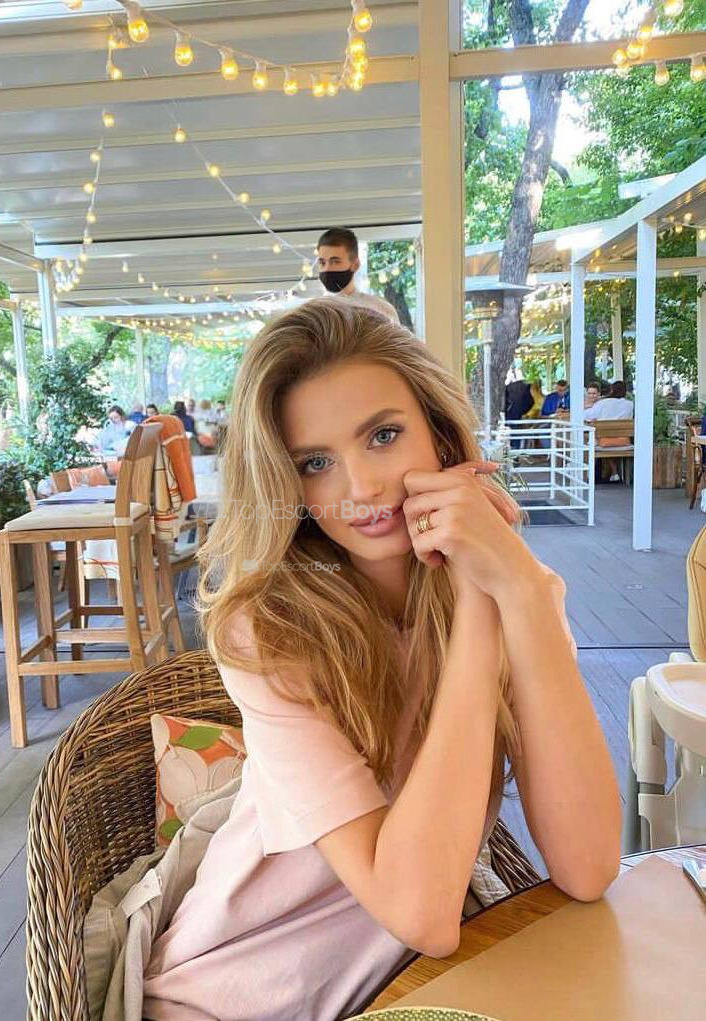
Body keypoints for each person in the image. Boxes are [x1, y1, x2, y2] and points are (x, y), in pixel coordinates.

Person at [141, 300, 621, 1020]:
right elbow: (421, 912)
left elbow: (587, 867)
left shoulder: (524, 593)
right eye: (316, 463)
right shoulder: (267, 633)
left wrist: (513, 587)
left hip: (408, 980)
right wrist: (481, 602)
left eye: (384, 436)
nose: (361, 489)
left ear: (440, 435)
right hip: (238, 988)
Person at [315, 226, 400, 325]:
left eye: (335, 262)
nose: (327, 269)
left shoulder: (381, 311)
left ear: (355, 265)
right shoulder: (314, 314)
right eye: (322, 262)